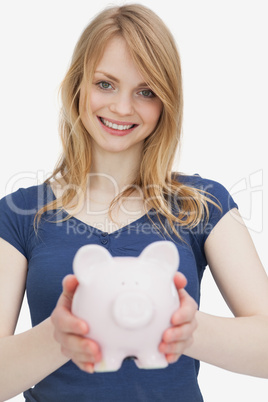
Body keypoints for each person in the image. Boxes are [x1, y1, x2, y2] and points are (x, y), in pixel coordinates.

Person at [0, 3, 267, 402]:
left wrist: (187, 328)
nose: (122, 108)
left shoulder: (203, 205)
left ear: (166, 103)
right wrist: (58, 335)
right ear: (77, 85)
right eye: (105, 84)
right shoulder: (19, 214)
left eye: (146, 91)